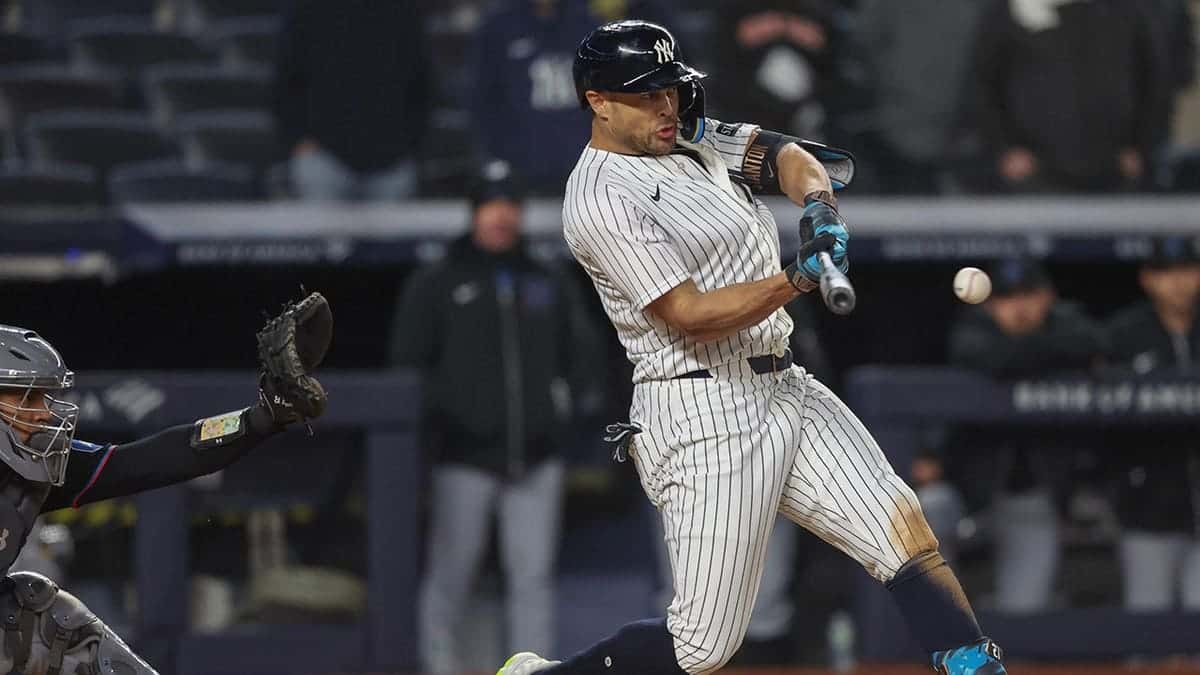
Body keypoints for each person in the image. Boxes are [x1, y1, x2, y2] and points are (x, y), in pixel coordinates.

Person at [497, 20, 1006, 675]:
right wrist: (798, 276)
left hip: (783, 382)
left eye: (670, 90)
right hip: (701, 407)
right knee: (701, 646)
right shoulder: (600, 197)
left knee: (900, 527)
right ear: (598, 102)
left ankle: (970, 662)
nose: (666, 107)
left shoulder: (688, 135)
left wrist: (819, 207)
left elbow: (789, 155)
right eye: (646, 96)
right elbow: (691, 315)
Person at [0, 295, 331, 674]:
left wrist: (263, 416)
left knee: (47, 612)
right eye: (29, 396)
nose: (44, 412)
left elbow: (149, 460)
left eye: (46, 396)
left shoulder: (33, 466)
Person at [390, 161, 600, 672]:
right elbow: (408, 367)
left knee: (532, 580)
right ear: (474, 212)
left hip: (537, 457)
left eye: (509, 206)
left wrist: (564, 411)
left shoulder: (546, 279)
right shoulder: (438, 280)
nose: (500, 217)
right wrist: (450, 417)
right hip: (462, 458)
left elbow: (584, 355)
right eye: (491, 206)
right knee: (450, 578)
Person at [948, 258, 1106, 612]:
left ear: (1048, 297)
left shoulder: (1069, 324)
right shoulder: (972, 331)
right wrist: (1048, 354)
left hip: (1031, 501)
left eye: (1028, 295)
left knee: (1024, 612)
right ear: (989, 304)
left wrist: (1034, 347)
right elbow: (991, 358)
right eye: (1006, 298)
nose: (1018, 307)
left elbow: (1092, 341)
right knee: (929, 509)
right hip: (969, 494)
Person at [969, 0, 1170, 192]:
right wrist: (1004, 150)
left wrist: (1140, 147)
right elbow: (984, 83)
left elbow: (1153, 80)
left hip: (1115, 172)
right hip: (1033, 174)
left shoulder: (1129, 8)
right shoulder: (1008, 10)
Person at [1105, 236, 1200, 610]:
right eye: (1165, 273)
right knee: (1148, 624)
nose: (1177, 282)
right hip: (1147, 499)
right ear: (1147, 279)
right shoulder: (1125, 333)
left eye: (1187, 270)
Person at [273, 0, 430, 201]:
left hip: (391, 160)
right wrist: (298, 140)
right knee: (323, 229)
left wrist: (410, 146)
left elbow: (422, 84)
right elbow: (285, 82)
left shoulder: (403, 10)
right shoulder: (307, 8)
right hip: (323, 158)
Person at [471, 0, 600, 195]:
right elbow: (481, 100)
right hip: (518, 171)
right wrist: (496, 156)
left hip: (582, 171)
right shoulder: (497, 28)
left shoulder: (589, 26)